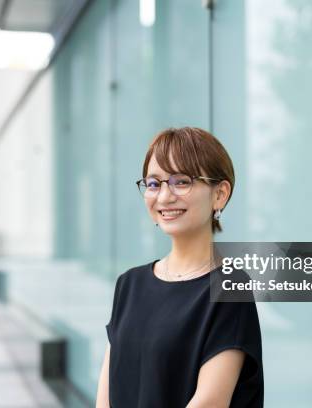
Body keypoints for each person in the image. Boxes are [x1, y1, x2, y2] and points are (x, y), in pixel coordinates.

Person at [96, 127, 263, 407]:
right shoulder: (129, 284)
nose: (164, 197)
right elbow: (106, 395)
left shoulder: (230, 288)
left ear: (219, 194)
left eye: (181, 182)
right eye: (153, 183)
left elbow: (210, 402)